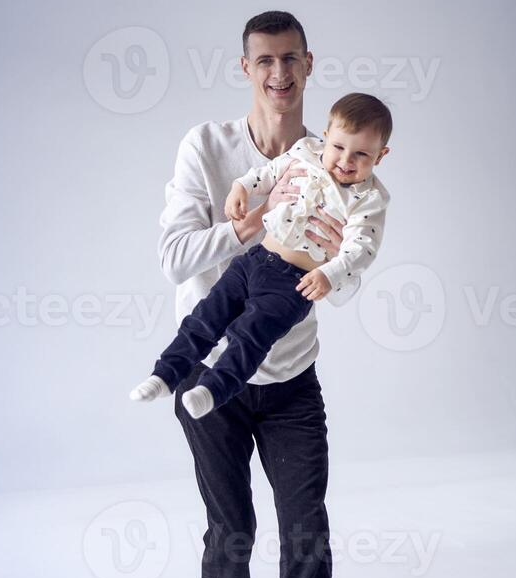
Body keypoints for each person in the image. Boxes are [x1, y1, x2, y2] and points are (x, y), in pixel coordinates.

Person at [136, 10, 389, 578]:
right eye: (264, 61)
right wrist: (262, 227)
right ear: (246, 68)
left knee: (307, 538)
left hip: (290, 385)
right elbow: (176, 254)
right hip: (210, 377)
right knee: (233, 526)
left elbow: (341, 284)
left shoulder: (338, 158)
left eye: (291, 61)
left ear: (309, 67)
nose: (279, 74)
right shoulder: (207, 147)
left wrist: (327, 255)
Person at [129, 92, 391, 419]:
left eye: (361, 155)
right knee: (208, 313)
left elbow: (361, 250)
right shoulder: (306, 153)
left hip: (293, 284)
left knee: (252, 334)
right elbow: (267, 174)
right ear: (325, 138)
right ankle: (166, 373)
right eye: (338, 147)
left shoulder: (368, 200)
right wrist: (242, 188)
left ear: (380, 156)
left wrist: (330, 273)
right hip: (256, 259)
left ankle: (214, 389)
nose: (345, 161)